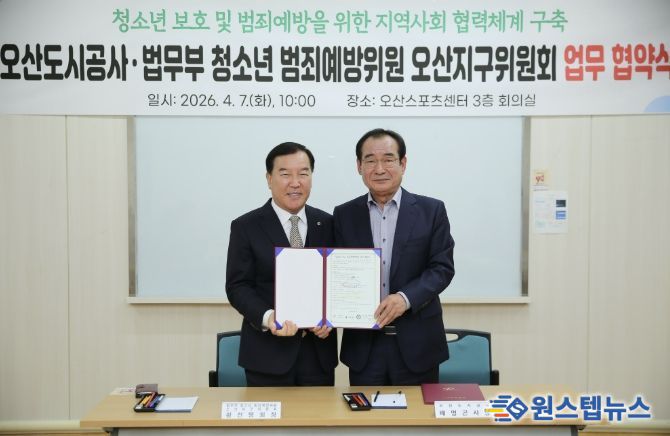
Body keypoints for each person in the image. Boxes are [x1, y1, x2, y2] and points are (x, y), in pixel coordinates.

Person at [333, 128, 455, 386]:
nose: (379, 169)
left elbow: (442, 268)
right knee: (365, 412)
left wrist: (404, 298)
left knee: (418, 413)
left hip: (418, 344)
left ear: (403, 163)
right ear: (359, 166)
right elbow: (335, 273)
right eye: (370, 160)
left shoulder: (431, 210)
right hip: (364, 346)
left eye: (388, 159)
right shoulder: (344, 215)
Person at [226, 142, 337, 386]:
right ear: (269, 178)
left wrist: (331, 318)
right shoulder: (246, 226)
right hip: (266, 356)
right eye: (285, 174)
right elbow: (237, 287)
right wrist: (269, 318)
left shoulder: (328, 223)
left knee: (318, 412)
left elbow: (338, 282)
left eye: (303, 174)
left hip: (318, 356)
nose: (295, 183)